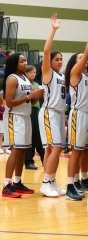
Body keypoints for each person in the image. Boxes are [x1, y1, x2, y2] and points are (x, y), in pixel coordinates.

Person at [2, 53, 43, 198]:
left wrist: (35, 96)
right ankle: (6, 185)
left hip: (26, 116)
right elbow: (10, 102)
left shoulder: (25, 78)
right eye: (22, 61)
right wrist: (28, 96)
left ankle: (17, 182)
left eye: (26, 60)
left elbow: (29, 102)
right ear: (15, 63)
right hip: (15, 117)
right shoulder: (12, 79)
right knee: (15, 150)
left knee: (22, 151)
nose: (25, 63)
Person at [64, 18, 88, 201]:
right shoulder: (75, 75)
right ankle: (69, 185)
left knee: (84, 150)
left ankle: (81, 180)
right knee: (76, 150)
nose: (84, 61)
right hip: (78, 114)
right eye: (80, 60)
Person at [39, 14, 66, 198]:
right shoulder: (47, 73)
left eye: (61, 59)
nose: (60, 61)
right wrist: (53, 30)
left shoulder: (62, 76)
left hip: (58, 114)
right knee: (55, 147)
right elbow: (46, 51)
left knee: (52, 149)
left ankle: (52, 180)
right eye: (57, 59)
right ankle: (45, 182)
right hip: (48, 113)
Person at [24, 65, 44, 170]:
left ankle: (44, 159)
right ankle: (28, 161)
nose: (33, 74)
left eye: (35, 72)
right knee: (30, 137)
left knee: (38, 135)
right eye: (31, 72)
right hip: (28, 110)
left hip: (37, 111)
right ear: (26, 73)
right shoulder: (25, 84)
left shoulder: (36, 84)